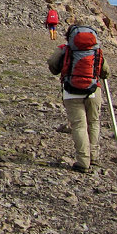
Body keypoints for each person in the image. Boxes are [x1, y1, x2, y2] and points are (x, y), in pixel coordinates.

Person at [47, 21, 109, 172]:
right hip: (94, 91)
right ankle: (94, 157)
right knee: (93, 123)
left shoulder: (64, 49)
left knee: (79, 125)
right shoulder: (97, 51)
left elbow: (53, 67)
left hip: (71, 91)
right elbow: (105, 72)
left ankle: (83, 161)